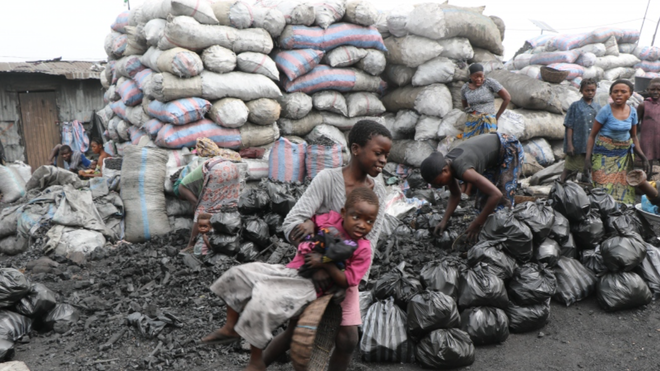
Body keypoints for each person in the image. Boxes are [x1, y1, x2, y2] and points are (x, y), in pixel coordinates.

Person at [260, 120, 392, 371]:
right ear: (355, 149)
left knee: (348, 340)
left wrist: (353, 280)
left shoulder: (379, 190)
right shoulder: (328, 179)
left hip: (346, 275)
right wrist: (311, 231)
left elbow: (369, 243)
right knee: (295, 331)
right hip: (313, 268)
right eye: (378, 153)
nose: (384, 160)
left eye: (386, 154)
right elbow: (291, 224)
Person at [201, 187, 380, 371]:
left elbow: (349, 279)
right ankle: (238, 336)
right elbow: (305, 225)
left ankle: (257, 362)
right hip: (299, 272)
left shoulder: (362, 247)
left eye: (369, 221)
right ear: (344, 213)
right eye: (356, 217)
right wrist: (309, 224)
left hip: (322, 286)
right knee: (240, 276)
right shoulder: (331, 217)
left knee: (347, 339)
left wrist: (324, 264)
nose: (361, 225)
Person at [420, 132, 524, 241]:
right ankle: (487, 233)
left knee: (503, 200)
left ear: (445, 171)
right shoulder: (446, 165)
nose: (441, 185)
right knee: (483, 202)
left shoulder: (464, 170)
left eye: (440, 182)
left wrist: (477, 223)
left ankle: (506, 238)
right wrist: (444, 220)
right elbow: (456, 195)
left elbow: (496, 194)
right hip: (494, 155)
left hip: (508, 147)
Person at [584, 79, 650, 204]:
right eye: (615, 92)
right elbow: (592, 135)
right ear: (611, 94)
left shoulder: (633, 112)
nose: (619, 94)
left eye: (623, 91)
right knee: (601, 187)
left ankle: (619, 215)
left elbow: (634, 137)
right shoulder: (605, 111)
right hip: (603, 155)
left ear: (630, 94)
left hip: (623, 157)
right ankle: (601, 214)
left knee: (622, 188)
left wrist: (643, 157)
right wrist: (588, 159)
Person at [177, 156, 241, 253]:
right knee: (229, 206)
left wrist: (197, 208)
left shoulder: (181, 187)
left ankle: (191, 245)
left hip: (218, 171)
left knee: (202, 211)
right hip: (233, 167)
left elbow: (196, 204)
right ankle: (236, 236)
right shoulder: (195, 177)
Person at [561, 78, 601, 182]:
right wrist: (569, 145)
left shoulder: (597, 107)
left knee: (589, 170)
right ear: (581, 91)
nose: (590, 93)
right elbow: (569, 125)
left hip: (592, 145)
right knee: (569, 168)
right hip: (578, 144)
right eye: (587, 90)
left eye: (593, 90)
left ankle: (587, 191)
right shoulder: (575, 106)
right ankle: (559, 187)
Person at [461, 63, 511, 139]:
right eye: (475, 76)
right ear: (470, 76)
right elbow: (465, 106)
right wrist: (471, 113)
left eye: (481, 76)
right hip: (473, 121)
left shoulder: (489, 83)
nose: (479, 79)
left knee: (486, 145)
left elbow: (507, 98)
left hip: (488, 120)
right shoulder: (465, 88)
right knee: (470, 144)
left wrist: (496, 117)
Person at [637, 78, 660, 177]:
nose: (655, 92)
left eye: (659, 89)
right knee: (647, 164)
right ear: (647, 90)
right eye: (652, 89)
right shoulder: (643, 105)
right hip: (648, 139)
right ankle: (647, 185)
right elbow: (636, 123)